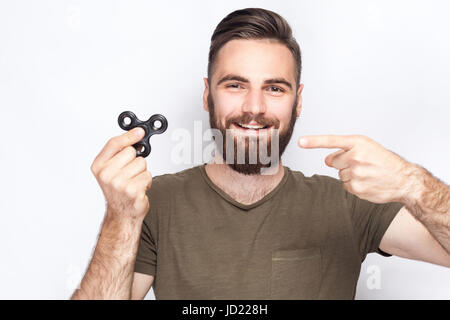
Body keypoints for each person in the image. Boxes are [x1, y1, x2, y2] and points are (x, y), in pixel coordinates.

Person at [71, 8, 450, 300]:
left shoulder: (350, 203)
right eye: (235, 84)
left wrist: (413, 184)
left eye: (274, 88)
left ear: (298, 101)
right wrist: (120, 218)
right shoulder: (157, 202)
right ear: (208, 94)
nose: (254, 108)